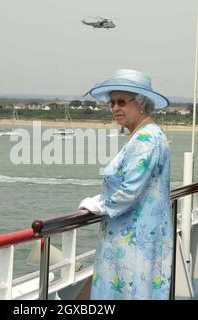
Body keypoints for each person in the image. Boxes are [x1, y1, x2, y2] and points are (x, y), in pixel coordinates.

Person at [78, 69, 173, 300]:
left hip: (133, 239)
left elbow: (130, 189)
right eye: (111, 103)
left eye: (121, 102)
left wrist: (99, 206)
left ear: (141, 104)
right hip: (136, 235)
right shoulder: (145, 134)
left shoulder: (146, 138)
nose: (114, 108)